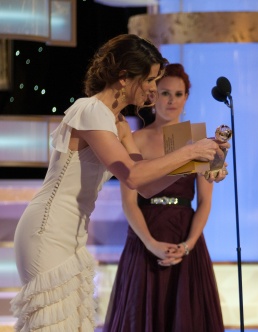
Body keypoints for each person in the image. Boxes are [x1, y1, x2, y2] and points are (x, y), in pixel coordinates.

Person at [10, 35, 227, 332]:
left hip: (73, 235)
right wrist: (191, 151)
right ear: (125, 78)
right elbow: (132, 175)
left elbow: (146, 186)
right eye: (150, 80)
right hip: (47, 230)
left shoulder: (120, 124)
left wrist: (200, 165)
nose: (153, 88)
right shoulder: (90, 110)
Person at [103, 63, 224, 332]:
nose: (172, 100)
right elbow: (129, 201)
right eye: (165, 92)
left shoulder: (198, 141)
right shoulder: (136, 139)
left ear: (186, 98)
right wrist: (150, 243)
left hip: (185, 237)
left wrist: (188, 245)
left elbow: (204, 201)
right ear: (152, 95)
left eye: (178, 94)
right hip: (145, 235)